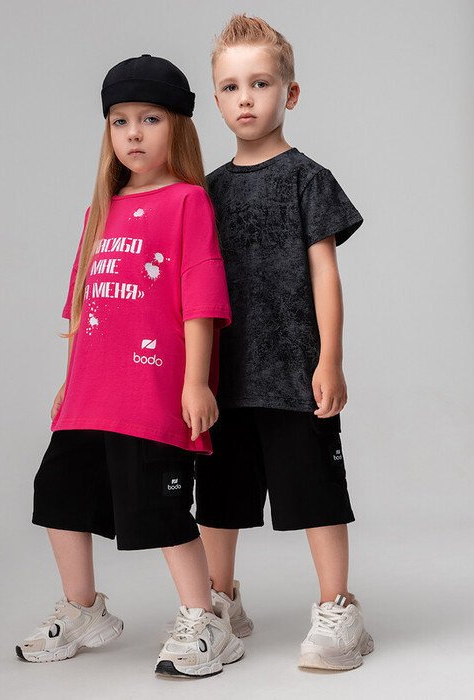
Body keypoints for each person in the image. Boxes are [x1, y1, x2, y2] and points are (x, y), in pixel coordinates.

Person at [16, 54, 245, 679]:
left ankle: (205, 620)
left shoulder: (188, 202)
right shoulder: (102, 209)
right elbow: (81, 302)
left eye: (150, 119)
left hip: (152, 392)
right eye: (120, 121)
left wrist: (195, 380)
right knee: (58, 494)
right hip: (92, 392)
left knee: (159, 508)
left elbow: (200, 298)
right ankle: (83, 608)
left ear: (178, 127)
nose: (134, 134)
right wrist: (70, 380)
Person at [194, 15, 374, 671]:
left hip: (294, 372)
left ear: (289, 94)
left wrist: (330, 359)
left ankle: (338, 608)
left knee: (314, 493)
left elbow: (325, 274)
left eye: (260, 83)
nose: (245, 99)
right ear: (216, 99)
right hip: (225, 375)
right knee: (218, 498)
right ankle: (218, 601)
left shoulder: (307, 178)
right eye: (230, 87)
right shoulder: (207, 191)